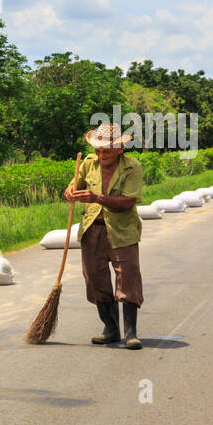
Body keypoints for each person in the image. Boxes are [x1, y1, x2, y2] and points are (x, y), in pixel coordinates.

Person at [64, 122, 145, 350]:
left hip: (122, 230)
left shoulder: (132, 167)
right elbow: (72, 188)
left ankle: (131, 332)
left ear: (120, 149)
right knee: (94, 278)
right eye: (98, 150)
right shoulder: (88, 164)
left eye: (107, 150)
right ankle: (110, 329)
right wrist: (70, 192)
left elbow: (128, 201)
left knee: (127, 277)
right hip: (92, 229)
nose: (101, 155)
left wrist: (97, 198)